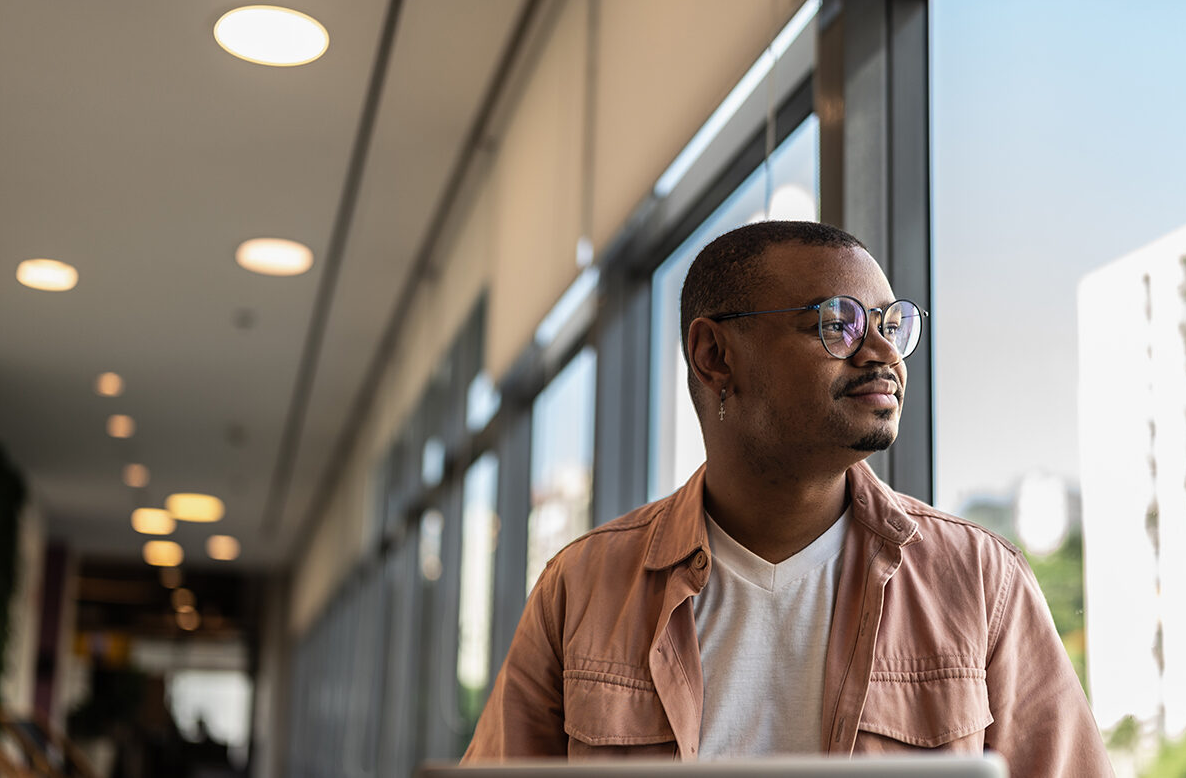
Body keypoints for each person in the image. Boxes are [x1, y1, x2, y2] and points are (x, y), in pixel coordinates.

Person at [463, 221, 1112, 775]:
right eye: (839, 323)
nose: (884, 352)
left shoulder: (977, 580)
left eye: (891, 324)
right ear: (714, 354)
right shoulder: (582, 588)